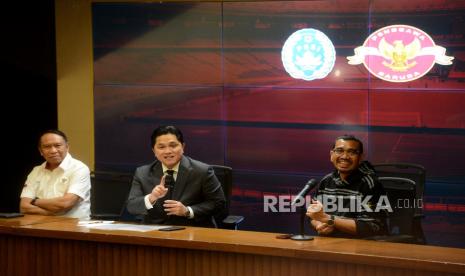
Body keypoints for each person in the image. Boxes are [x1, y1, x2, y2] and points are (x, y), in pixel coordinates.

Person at [126, 125, 226, 227]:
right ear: (154, 151)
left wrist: (187, 211)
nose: (168, 151)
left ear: (183, 147)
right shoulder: (142, 173)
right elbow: (132, 206)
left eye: (173, 145)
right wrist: (152, 197)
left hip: (192, 230)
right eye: (161, 147)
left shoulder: (202, 171)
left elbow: (218, 203)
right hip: (155, 232)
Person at [306, 135, 387, 238]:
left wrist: (329, 220)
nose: (345, 156)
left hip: (363, 246)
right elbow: (313, 215)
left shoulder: (370, 184)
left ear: (361, 157)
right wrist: (320, 225)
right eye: (339, 151)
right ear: (331, 155)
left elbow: (371, 226)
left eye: (352, 152)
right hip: (330, 244)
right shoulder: (326, 181)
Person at [20, 129, 91, 219]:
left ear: (67, 147)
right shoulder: (36, 171)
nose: (53, 151)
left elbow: (65, 203)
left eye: (57, 145)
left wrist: (34, 201)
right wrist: (51, 213)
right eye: (47, 147)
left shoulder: (79, 168)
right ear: (40, 151)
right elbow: (24, 207)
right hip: (41, 224)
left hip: (74, 226)